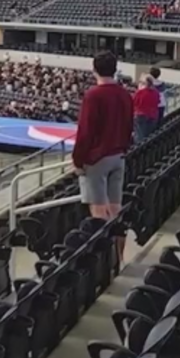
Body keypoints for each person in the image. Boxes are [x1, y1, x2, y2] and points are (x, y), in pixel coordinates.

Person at [72, 52, 132, 254]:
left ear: (94, 69)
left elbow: (85, 132)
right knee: (115, 208)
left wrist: (78, 161)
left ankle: (105, 262)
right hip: (119, 156)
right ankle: (119, 257)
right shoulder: (124, 93)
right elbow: (129, 125)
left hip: (97, 159)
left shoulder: (93, 95)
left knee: (98, 211)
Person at [133, 75, 160, 143]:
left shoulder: (140, 92)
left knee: (140, 136)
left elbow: (134, 102)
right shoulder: (156, 92)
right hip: (153, 115)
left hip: (140, 115)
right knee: (149, 135)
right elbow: (158, 102)